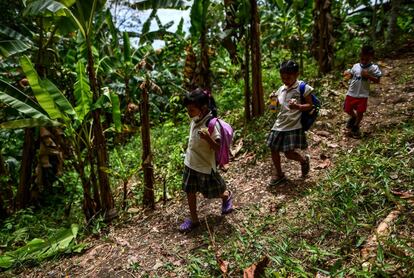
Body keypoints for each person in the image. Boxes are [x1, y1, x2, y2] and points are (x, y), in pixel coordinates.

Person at [179, 88, 233, 232]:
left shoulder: (211, 124)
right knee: (189, 191)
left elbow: (219, 148)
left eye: (192, 109)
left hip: (205, 166)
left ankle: (226, 196)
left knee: (213, 191)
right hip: (190, 163)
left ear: (203, 108)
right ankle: (194, 219)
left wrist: (208, 139)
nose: (188, 112)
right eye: (188, 109)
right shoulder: (195, 119)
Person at [267, 60, 313, 186]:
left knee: (288, 153)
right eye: (283, 78)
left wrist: (297, 106)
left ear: (296, 74)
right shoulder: (281, 89)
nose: (285, 80)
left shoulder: (303, 87)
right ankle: (280, 174)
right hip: (279, 124)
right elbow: (273, 109)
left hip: (293, 125)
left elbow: (310, 105)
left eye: (288, 77)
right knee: (273, 148)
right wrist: (273, 100)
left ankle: (303, 160)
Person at [343, 45, 382, 137]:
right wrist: (347, 74)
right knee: (347, 109)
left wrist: (368, 76)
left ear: (371, 57)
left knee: (360, 111)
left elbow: (377, 80)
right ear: (360, 56)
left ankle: (356, 126)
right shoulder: (356, 66)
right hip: (351, 92)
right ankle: (353, 117)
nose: (364, 61)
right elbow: (351, 75)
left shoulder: (373, 68)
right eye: (362, 59)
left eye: (366, 60)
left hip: (362, 94)